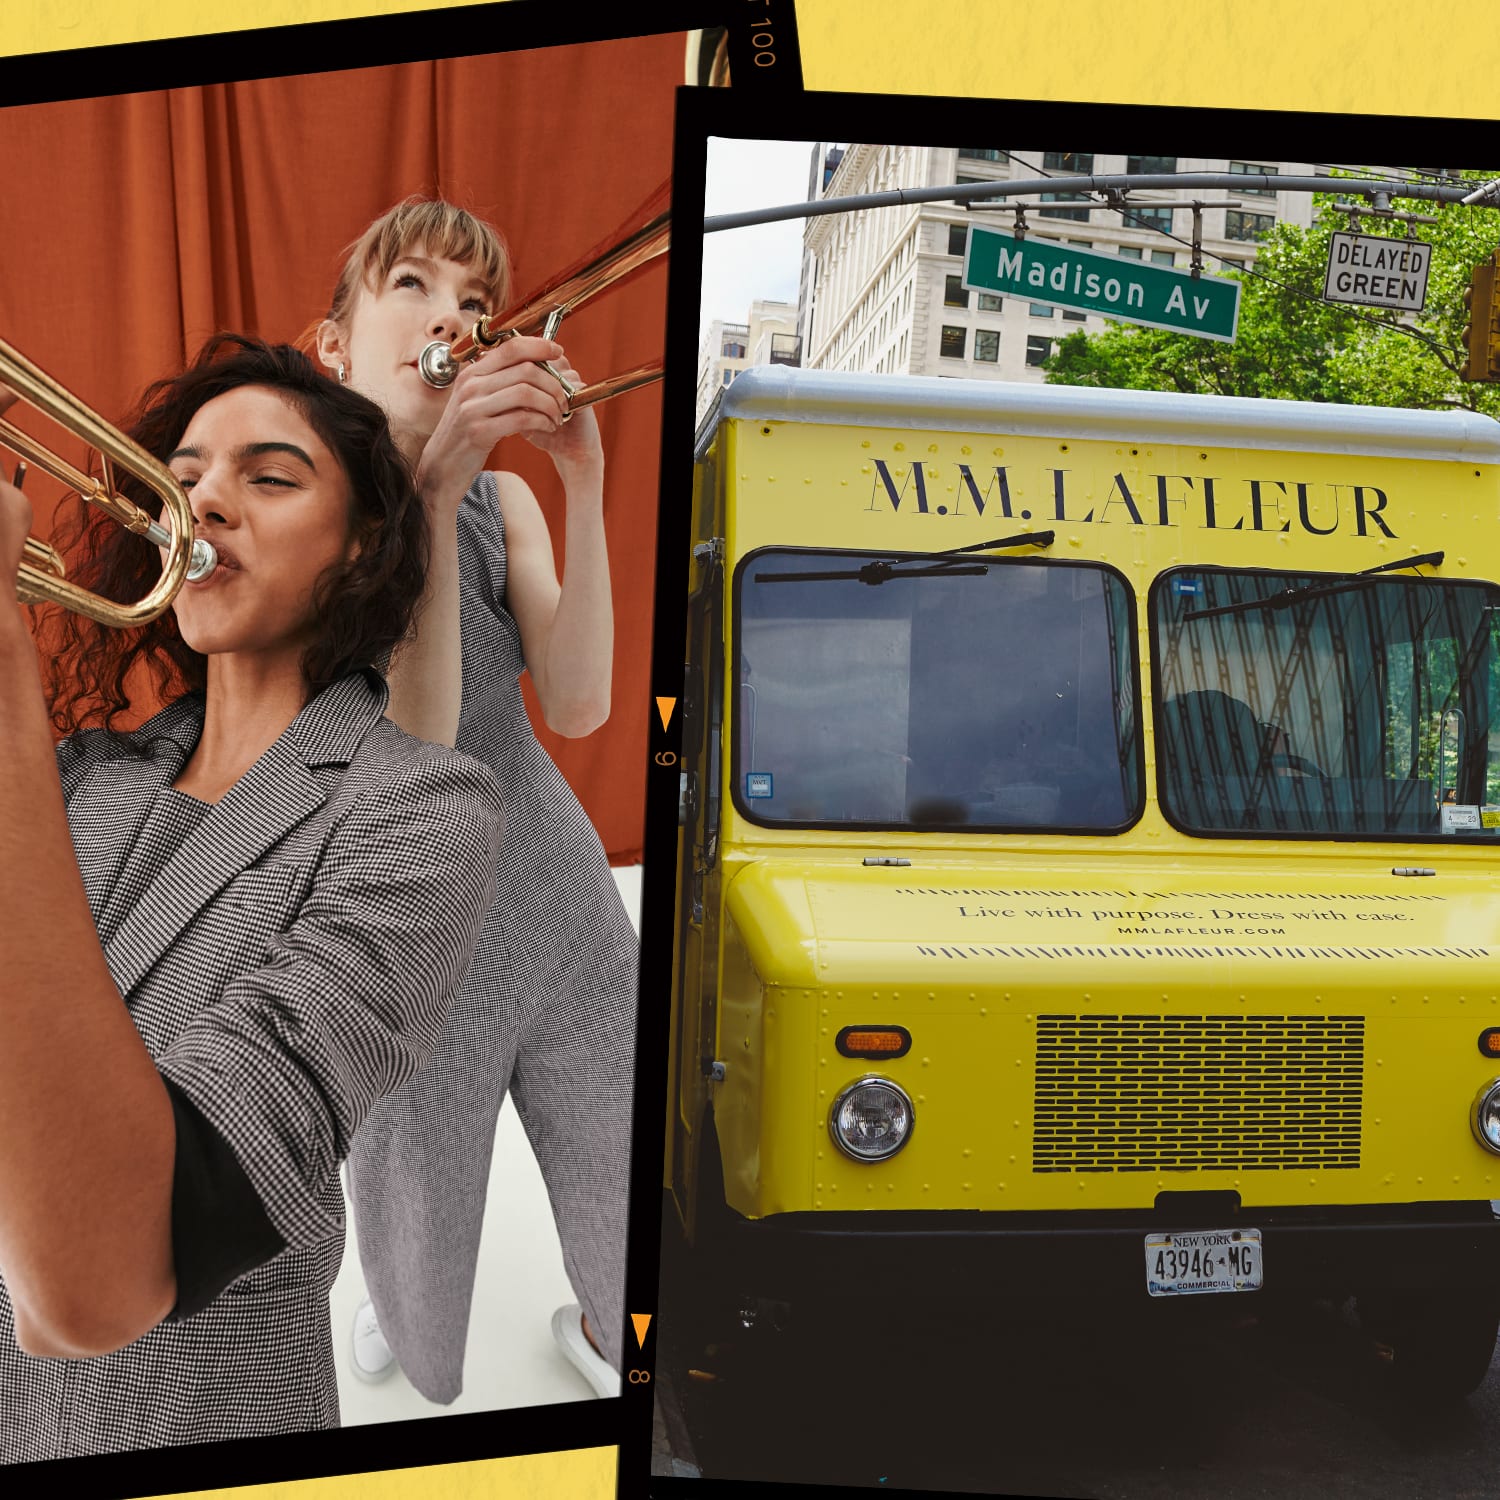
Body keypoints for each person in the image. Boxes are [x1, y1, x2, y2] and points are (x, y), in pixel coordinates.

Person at [0, 335, 503, 1461]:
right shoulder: (83, 775)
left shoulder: (421, 810)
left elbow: (99, 1281)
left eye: (268, 478)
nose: (208, 501)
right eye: (180, 482)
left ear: (363, 541)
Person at [313, 198, 638, 1401]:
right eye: (412, 286)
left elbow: (585, 701)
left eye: (474, 304)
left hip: (557, 898)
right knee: (418, 1222)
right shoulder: (303, 524)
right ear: (331, 346)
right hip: (413, 927)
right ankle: (413, 1327)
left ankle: (612, 1335)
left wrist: (585, 480)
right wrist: (433, 489)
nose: (451, 320)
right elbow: (416, 757)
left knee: (619, 1168)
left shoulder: (507, 504)